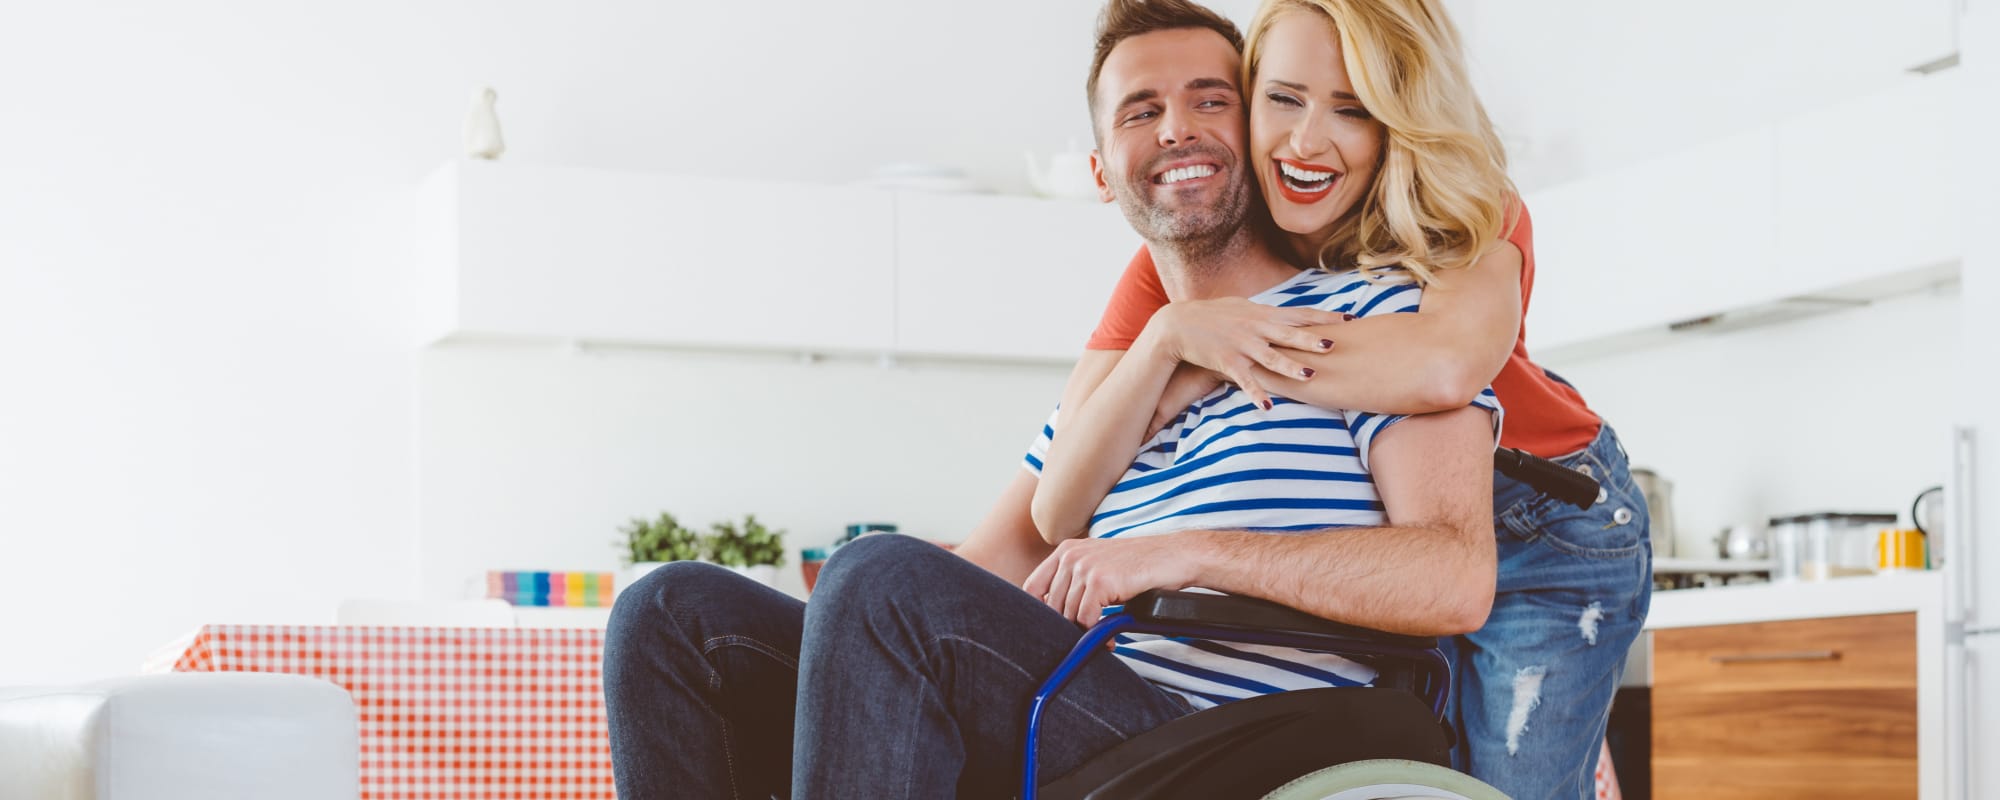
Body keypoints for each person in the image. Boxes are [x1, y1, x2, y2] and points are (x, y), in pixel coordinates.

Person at [603, 1, 1501, 796]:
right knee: (675, 615)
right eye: (1141, 112)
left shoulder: (1377, 318)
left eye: (1210, 99)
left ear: (1255, 122)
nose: (1178, 129)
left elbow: (1455, 578)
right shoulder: (1112, 386)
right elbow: (992, 567)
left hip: (1236, 735)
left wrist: (1182, 553)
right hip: (1082, 696)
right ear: (1103, 172)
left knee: (880, 575)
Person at [1003, 1, 1654, 797]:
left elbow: (1443, 370)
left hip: (1549, 524)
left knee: (1512, 783)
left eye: (1353, 109)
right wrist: (1171, 340)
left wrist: (1220, 354)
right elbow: (1070, 461)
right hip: (1408, 517)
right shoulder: (1183, 271)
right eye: (1283, 99)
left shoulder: (1461, 212)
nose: (1306, 140)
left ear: (1397, 126)